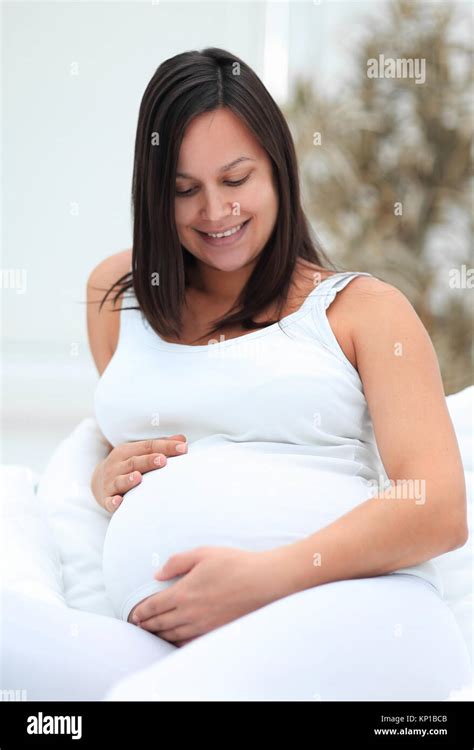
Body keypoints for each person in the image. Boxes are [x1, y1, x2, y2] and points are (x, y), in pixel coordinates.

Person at [2, 47, 471, 701]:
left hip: (362, 618)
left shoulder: (365, 312)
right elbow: (147, 435)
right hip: (177, 645)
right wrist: (107, 470)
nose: (215, 212)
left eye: (236, 179)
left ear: (278, 170)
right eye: (185, 190)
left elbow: (439, 509)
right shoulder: (118, 295)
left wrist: (267, 576)